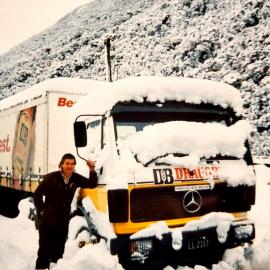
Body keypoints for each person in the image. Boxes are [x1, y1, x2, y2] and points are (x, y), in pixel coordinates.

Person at [33, 153, 98, 270]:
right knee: (44, 251)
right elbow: (37, 194)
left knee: (59, 251)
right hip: (48, 221)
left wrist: (92, 169)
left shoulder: (75, 178)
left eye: (72, 164)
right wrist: (43, 210)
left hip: (63, 221)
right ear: (61, 164)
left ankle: (56, 267)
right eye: (67, 163)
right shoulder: (51, 177)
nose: (70, 166)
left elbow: (92, 184)